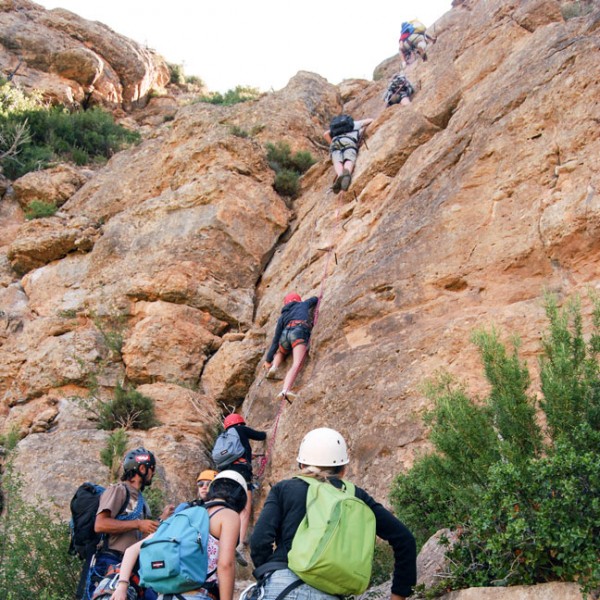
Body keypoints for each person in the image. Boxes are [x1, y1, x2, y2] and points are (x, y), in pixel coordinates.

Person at [250, 428, 417, 600]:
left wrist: (271, 571)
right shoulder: (356, 496)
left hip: (281, 585)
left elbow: (259, 542)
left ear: (301, 465)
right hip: (330, 593)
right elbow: (405, 540)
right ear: (343, 469)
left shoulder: (284, 489)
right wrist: (398, 595)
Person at [110, 470, 248, 600]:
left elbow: (131, 550)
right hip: (197, 594)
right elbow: (225, 565)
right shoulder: (228, 515)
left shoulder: (183, 516)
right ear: (240, 497)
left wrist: (122, 585)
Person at [89, 447, 175, 600]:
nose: (153, 474)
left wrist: (162, 519)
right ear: (142, 468)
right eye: (152, 469)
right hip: (111, 561)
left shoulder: (142, 501)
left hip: (132, 565)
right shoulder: (119, 490)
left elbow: (141, 535)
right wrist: (137, 524)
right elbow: (100, 524)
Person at [219, 413, 267, 567]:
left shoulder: (225, 438)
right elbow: (260, 436)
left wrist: (253, 456)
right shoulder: (241, 430)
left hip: (225, 475)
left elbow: (238, 454)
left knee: (230, 508)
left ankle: (224, 539)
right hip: (242, 473)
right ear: (240, 423)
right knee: (244, 508)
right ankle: (238, 543)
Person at [264, 292, 319, 401]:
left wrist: (268, 360)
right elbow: (314, 299)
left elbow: (275, 340)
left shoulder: (282, 317)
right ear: (298, 300)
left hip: (285, 334)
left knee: (281, 352)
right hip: (299, 331)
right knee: (297, 363)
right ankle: (285, 390)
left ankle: (274, 366)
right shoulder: (302, 304)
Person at [324, 115, 374, 193]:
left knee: (337, 160)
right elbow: (370, 120)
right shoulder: (354, 124)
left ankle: (340, 175)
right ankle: (347, 172)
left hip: (335, 143)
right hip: (349, 141)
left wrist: (332, 143)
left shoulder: (334, 129)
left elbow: (325, 134)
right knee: (349, 158)